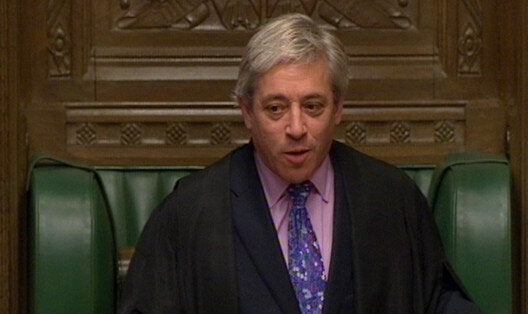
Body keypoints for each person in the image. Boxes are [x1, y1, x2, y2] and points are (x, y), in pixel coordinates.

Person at [119, 13, 481, 313]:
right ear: (247, 112)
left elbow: (437, 300)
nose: (296, 128)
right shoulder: (191, 212)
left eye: (313, 106)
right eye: (275, 108)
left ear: (338, 109)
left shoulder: (390, 198)